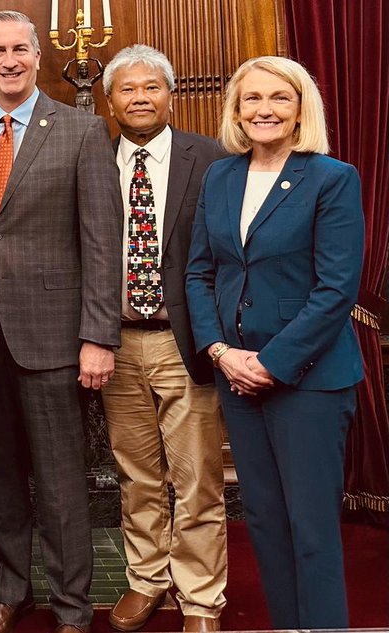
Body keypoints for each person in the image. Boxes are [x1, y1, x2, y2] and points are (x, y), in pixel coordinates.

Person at [0, 10, 122, 633]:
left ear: (39, 56)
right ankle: (11, 591)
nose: (9, 60)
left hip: (55, 339)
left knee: (63, 485)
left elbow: (102, 240)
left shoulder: (80, 130)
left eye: (20, 48)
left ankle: (72, 607)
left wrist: (99, 335)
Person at [185, 55, 364, 630]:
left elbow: (336, 290)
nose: (264, 109)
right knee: (263, 519)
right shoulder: (221, 176)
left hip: (308, 381)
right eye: (252, 98)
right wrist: (219, 352)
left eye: (279, 98)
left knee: (311, 530)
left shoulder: (332, 178)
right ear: (236, 110)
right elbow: (199, 273)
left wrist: (272, 363)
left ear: (300, 108)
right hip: (236, 375)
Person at [100, 45, 229, 633]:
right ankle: (147, 579)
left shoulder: (212, 158)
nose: (140, 98)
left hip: (186, 339)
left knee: (197, 475)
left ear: (170, 94)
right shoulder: (91, 156)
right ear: (110, 100)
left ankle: (200, 598)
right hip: (115, 341)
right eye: (127, 89)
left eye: (151, 87)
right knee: (136, 472)